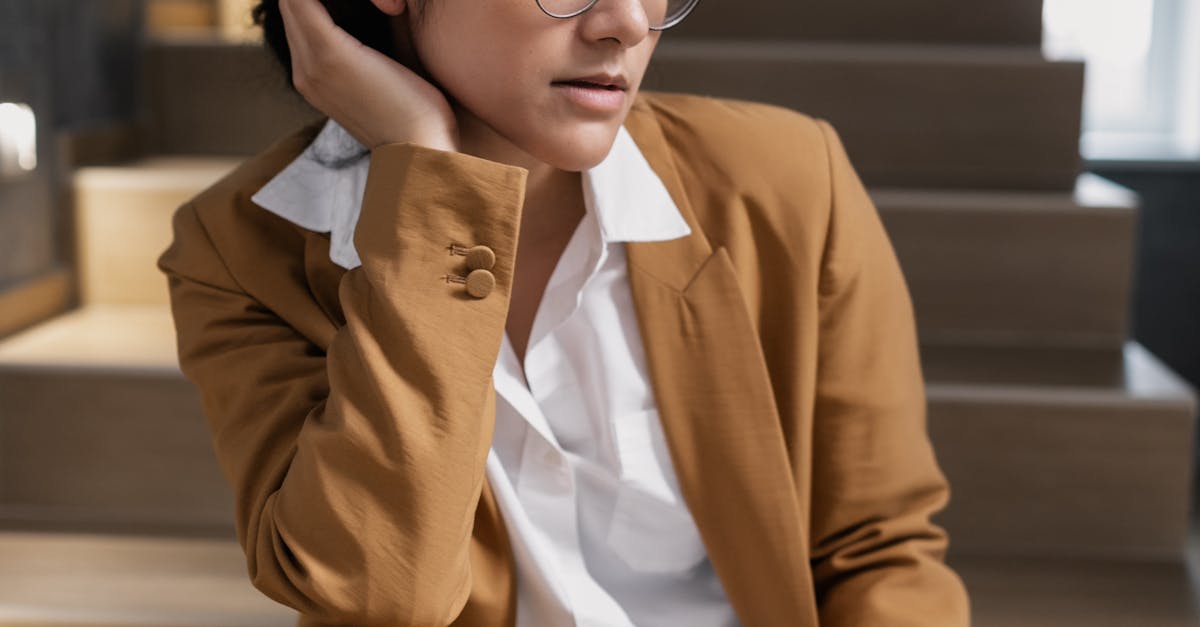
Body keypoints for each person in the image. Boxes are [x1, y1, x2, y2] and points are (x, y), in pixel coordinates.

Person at [155, 0, 972, 625]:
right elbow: (374, 593)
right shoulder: (237, 249)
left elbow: (879, 554)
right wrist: (430, 184)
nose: (629, 22)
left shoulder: (788, 180)